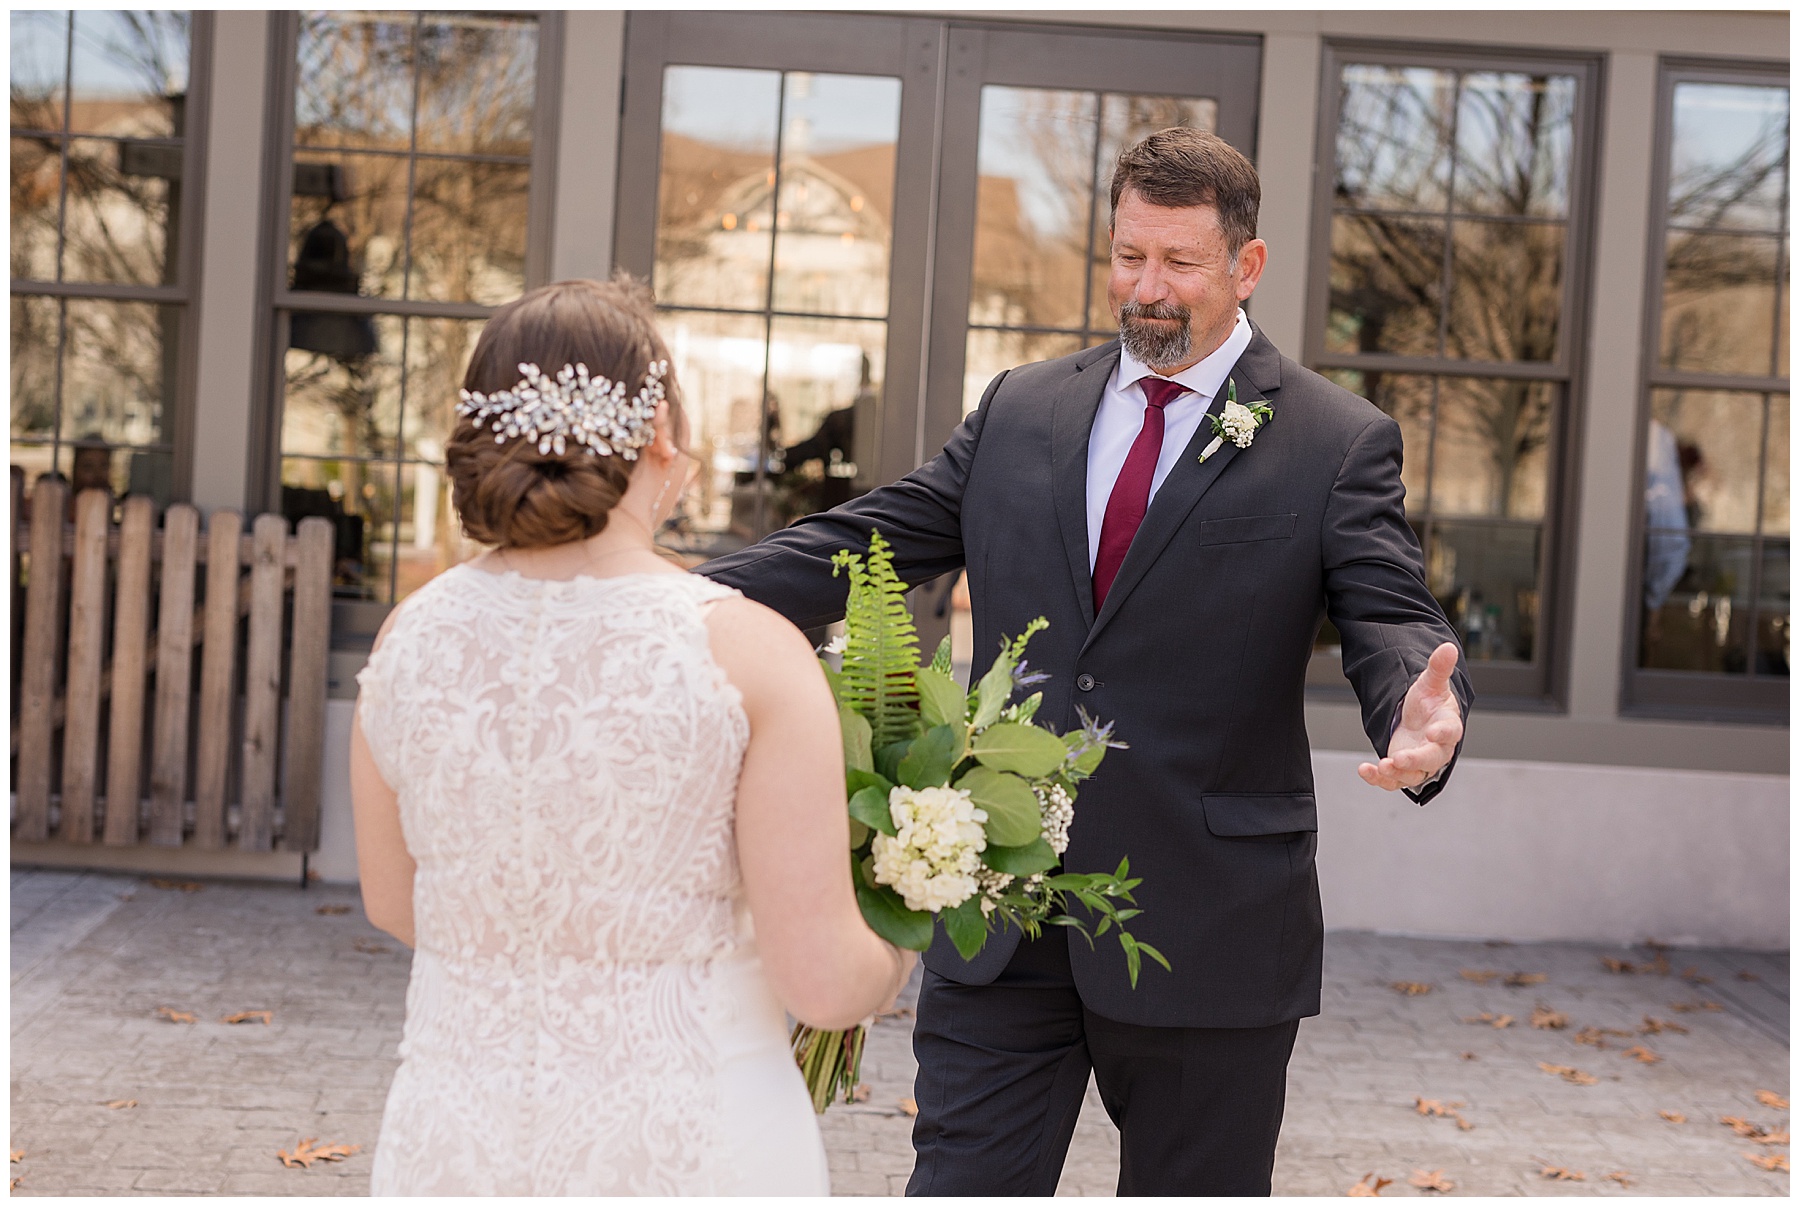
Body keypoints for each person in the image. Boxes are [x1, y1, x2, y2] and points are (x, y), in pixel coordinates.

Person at [702, 128, 1474, 1195]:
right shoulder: (1024, 407)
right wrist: (673, 600)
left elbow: (1391, 619)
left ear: (1245, 267)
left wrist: (1419, 719)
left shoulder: (1335, 442)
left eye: (1179, 264)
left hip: (1209, 930)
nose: (1146, 289)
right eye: (1127, 257)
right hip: (1002, 919)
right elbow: (871, 540)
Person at [349, 276, 911, 1195]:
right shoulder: (749, 652)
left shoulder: (409, 635)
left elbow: (393, 900)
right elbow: (822, 981)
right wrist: (902, 930)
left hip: (455, 1144)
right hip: (688, 1146)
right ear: (661, 437)